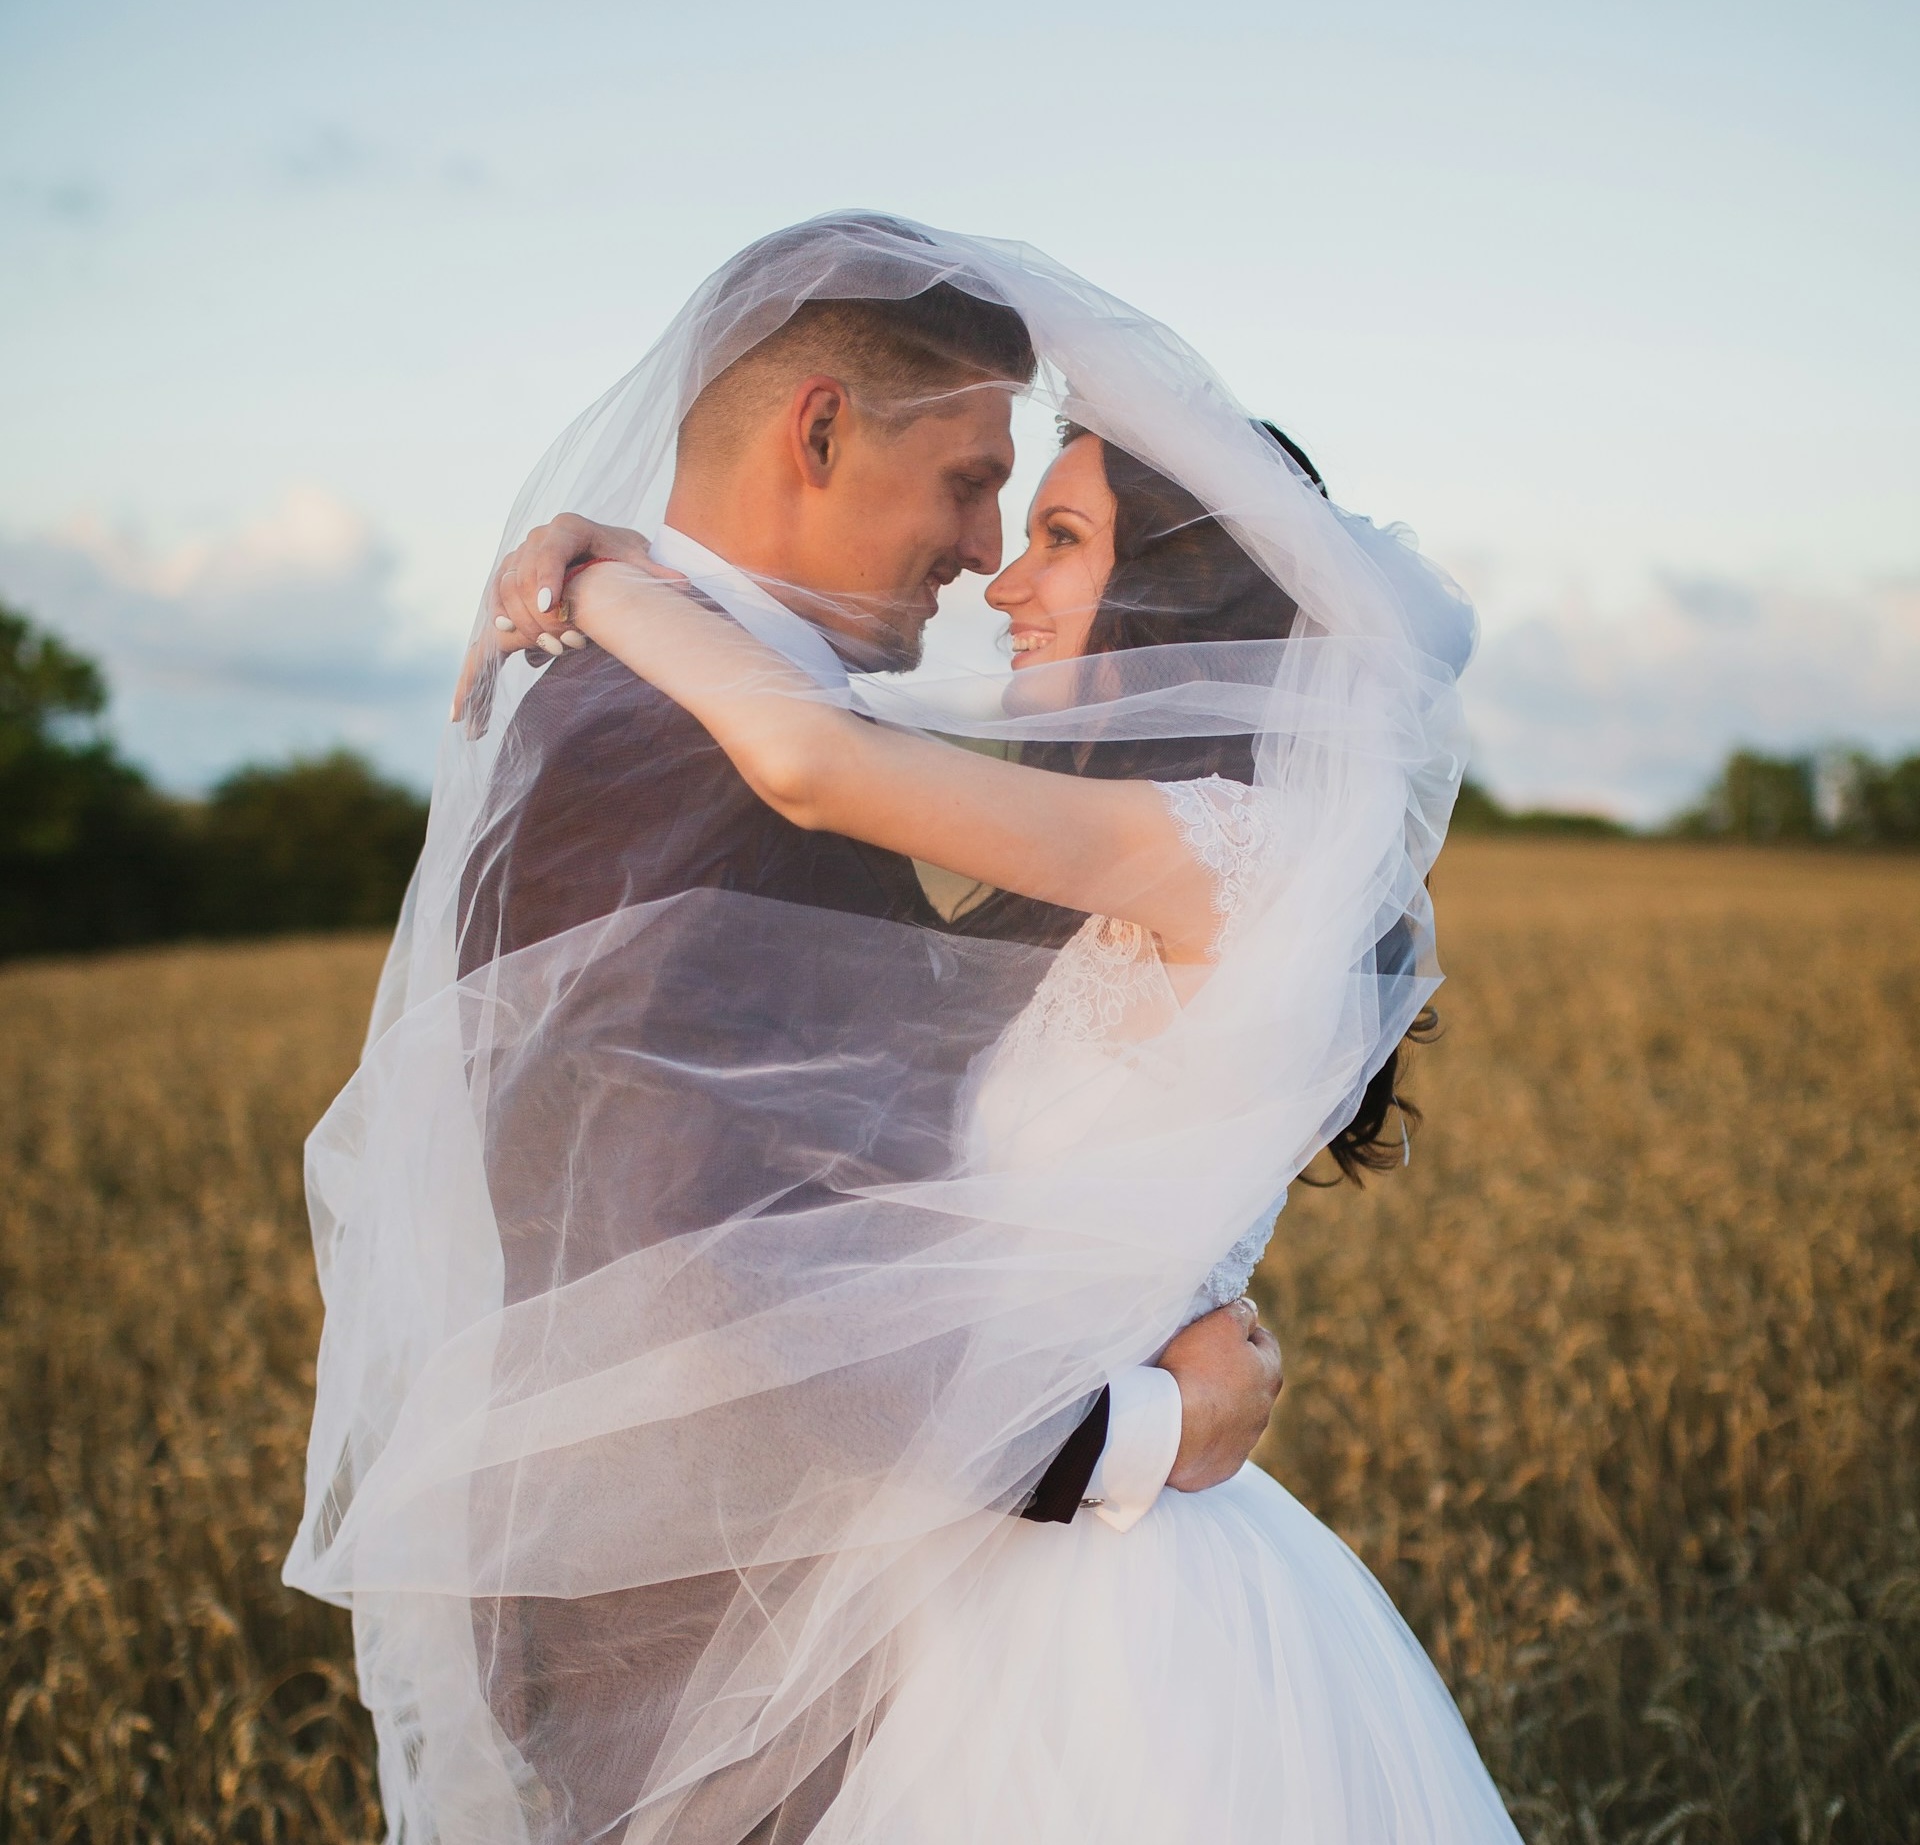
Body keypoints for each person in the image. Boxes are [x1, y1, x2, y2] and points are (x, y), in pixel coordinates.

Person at [286, 213, 1494, 1843]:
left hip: (1043, 1612)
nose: (992, 557)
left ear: (1175, 595)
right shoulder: (659, 742)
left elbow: (815, 783)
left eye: (1051, 526)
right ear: (823, 430)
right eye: (977, 485)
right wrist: (1135, 1423)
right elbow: (687, 1233)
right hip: (775, 1601)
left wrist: (602, 569)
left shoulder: (1174, 849)